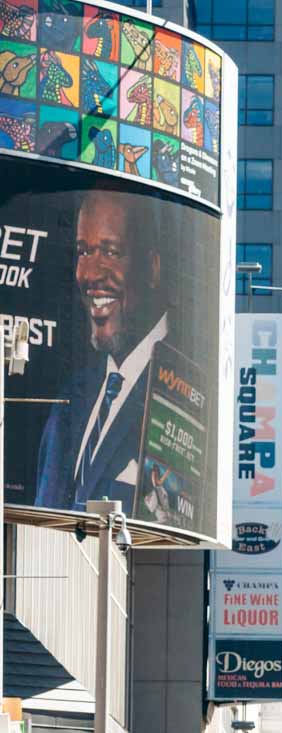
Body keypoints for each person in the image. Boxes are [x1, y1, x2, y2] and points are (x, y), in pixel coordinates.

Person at [36, 189, 170, 516]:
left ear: (151, 267)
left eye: (110, 252)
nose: (91, 274)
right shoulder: (68, 401)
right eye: (84, 252)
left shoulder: (179, 393)